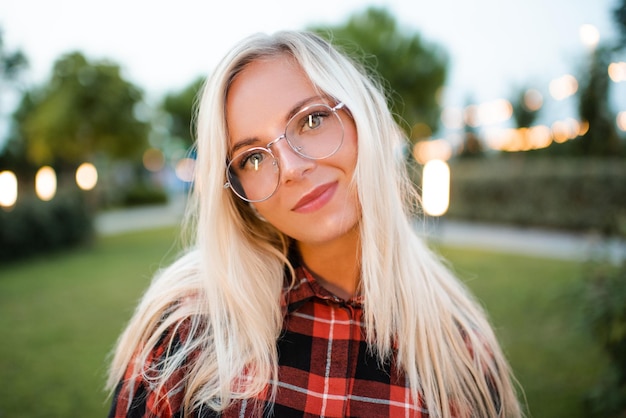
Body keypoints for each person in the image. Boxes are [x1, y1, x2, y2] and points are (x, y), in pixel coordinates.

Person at [106, 30, 522, 418]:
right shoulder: (188, 328)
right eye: (253, 157)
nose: (290, 168)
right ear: (238, 195)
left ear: (365, 120)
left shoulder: (460, 349)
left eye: (311, 120)